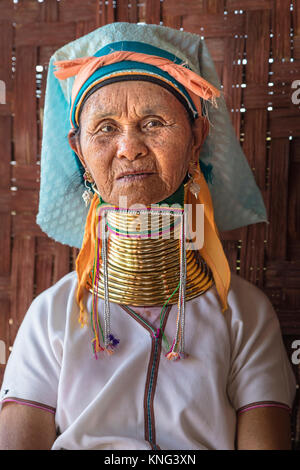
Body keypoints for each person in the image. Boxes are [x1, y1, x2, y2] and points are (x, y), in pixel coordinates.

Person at [0, 22, 296, 450]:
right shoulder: (52, 316)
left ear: (196, 139)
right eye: (105, 128)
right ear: (79, 150)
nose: (129, 147)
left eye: (153, 122)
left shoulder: (244, 314)